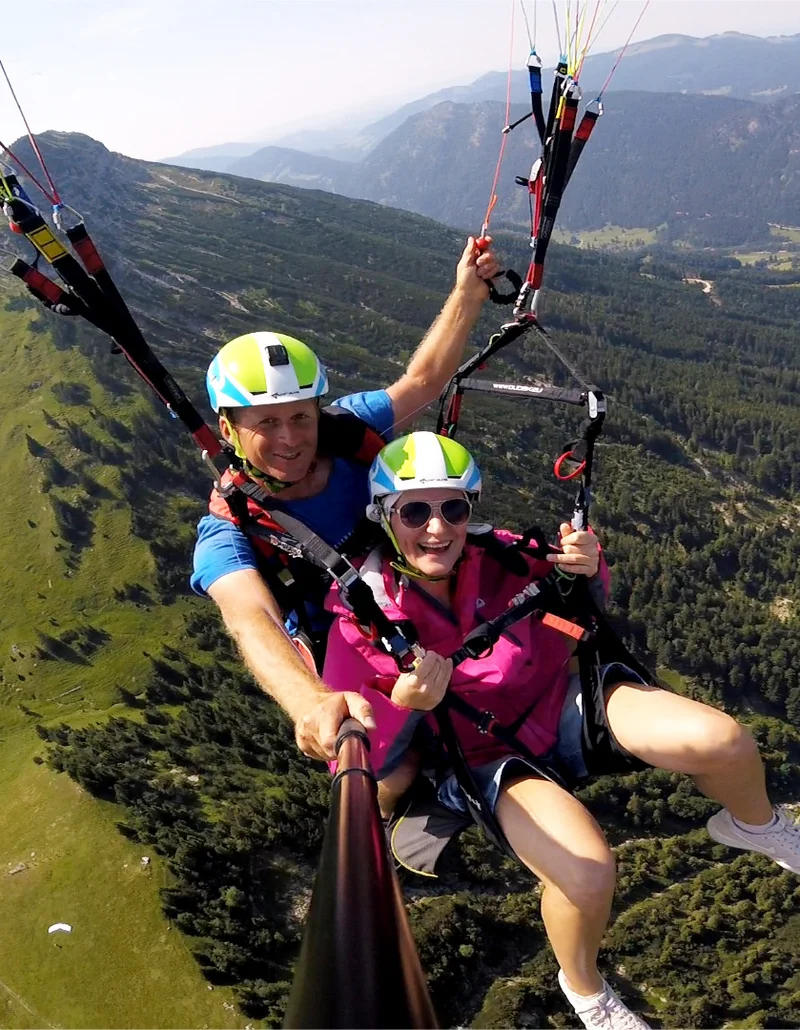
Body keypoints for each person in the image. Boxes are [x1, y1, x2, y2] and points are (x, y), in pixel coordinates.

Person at [322, 430, 800, 1030]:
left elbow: (578, 606)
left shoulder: (503, 555)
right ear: (385, 517)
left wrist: (587, 568)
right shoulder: (359, 618)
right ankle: (585, 990)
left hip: (562, 700)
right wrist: (407, 703)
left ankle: (757, 826)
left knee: (724, 743)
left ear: (472, 511)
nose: (437, 528)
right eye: (414, 511)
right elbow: (355, 744)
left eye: (453, 508)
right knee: (587, 873)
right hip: (485, 753)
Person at [191, 238, 500, 761]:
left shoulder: (346, 428)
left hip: (427, 588)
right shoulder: (231, 530)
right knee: (392, 776)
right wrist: (309, 701)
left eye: (299, 417)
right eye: (266, 422)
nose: (290, 438)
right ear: (229, 428)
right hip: (358, 649)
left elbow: (422, 382)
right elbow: (251, 619)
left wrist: (467, 295)